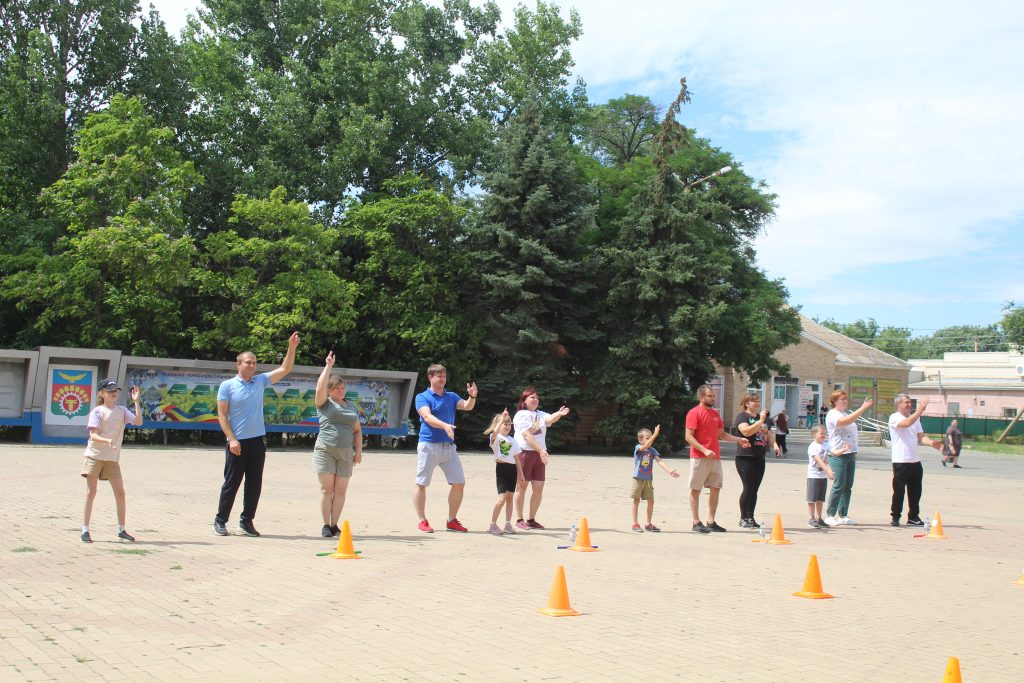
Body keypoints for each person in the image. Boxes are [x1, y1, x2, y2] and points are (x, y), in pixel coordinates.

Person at [215, 332, 300, 537]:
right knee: (232, 483)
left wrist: (291, 347)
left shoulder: (260, 381)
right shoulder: (227, 386)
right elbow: (222, 415)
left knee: (254, 484)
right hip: (237, 442)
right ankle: (220, 520)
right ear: (238, 364)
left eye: (254, 363)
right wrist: (232, 439)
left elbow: (285, 368)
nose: (252, 366)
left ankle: (246, 522)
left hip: (257, 442)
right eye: (248, 362)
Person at [413, 364, 477, 533]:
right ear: (430, 377)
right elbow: (427, 417)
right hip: (428, 446)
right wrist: (445, 426)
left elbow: (467, 406)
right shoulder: (422, 397)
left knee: (459, 482)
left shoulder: (451, 396)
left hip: (449, 447)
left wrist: (472, 397)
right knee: (421, 483)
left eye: (444, 376)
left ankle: (451, 520)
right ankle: (422, 520)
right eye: (439, 376)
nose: (442, 379)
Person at [81, 379, 143, 543]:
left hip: (112, 459)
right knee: (91, 492)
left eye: (115, 390)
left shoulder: (122, 411)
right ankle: (85, 530)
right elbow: (93, 435)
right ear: (102, 393)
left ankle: (122, 529)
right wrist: (107, 440)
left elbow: (138, 422)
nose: (114, 393)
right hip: (94, 456)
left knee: (120, 493)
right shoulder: (97, 412)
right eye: (110, 391)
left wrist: (136, 402)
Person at [684, 384, 750, 533]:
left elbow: (722, 435)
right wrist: (704, 449)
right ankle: (696, 522)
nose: (713, 398)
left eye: (713, 395)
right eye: (710, 396)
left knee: (716, 488)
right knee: (696, 489)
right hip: (699, 457)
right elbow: (688, 436)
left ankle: (711, 522)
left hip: (715, 458)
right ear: (702, 397)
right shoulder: (694, 413)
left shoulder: (715, 414)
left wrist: (739, 440)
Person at [313, 351, 362, 538]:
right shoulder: (324, 403)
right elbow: (320, 387)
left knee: (341, 491)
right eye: (336, 388)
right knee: (327, 489)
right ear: (329, 391)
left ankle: (335, 525)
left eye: (342, 388)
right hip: (325, 450)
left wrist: (358, 451)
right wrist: (328, 366)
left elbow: (357, 431)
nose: (340, 391)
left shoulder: (351, 407)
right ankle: (326, 524)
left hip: (345, 453)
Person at [512, 386, 570, 530]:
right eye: (532, 397)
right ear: (524, 401)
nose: (536, 399)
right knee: (522, 487)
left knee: (538, 489)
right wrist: (540, 450)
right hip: (524, 454)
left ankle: (531, 520)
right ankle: (519, 520)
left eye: (537, 397)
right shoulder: (521, 415)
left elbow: (549, 419)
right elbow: (527, 435)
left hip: (539, 455)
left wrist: (559, 413)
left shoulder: (540, 413)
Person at [888, 395, 943, 527]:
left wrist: (932, 443)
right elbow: (906, 424)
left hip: (915, 460)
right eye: (906, 402)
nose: (909, 404)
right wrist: (920, 411)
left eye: (910, 402)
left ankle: (913, 517)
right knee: (899, 490)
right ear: (898, 404)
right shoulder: (894, 417)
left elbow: (921, 437)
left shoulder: (916, 419)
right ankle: (895, 516)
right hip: (901, 460)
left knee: (915, 491)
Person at [823, 389, 873, 526]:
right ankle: (830, 515)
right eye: (842, 399)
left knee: (847, 485)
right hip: (838, 454)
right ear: (834, 401)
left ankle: (843, 514)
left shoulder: (845, 413)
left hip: (850, 453)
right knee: (839, 485)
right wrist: (862, 408)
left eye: (846, 398)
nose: (845, 401)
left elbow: (849, 421)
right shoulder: (833, 414)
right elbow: (845, 422)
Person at [733, 394, 781, 529]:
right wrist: (760, 421)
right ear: (746, 403)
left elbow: (769, 434)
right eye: (754, 401)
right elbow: (746, 432)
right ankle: (743, 518)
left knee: (754, 489)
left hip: (759, 458)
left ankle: (750, 517)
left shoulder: (763, 419)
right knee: (748, 487)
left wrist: (775, 445)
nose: (757, 403)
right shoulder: (742, 417)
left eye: (758, 401)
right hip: (745, 457)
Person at [630, 424, 680, 532]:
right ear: (640, 439)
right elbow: (644, 447)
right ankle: (635, 524)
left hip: (648, 479)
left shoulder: (652, 450)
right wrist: (655, 435)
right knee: (636, 500)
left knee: (651, 501)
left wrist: (669, 471)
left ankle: (648, 524)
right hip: (637, 478)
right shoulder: (638, 447)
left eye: (651, 437)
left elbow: (659, 461)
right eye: (647, 438)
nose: (650, 440)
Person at [484, 410, 524, 535]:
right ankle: (492, 525)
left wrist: (521, 473)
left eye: (509, 424)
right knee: (501, 499)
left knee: (510, 498)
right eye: (504, 424)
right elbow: (495, 432)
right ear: (499, 424)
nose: (507, 426)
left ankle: (507, 524)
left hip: (512, 470)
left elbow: (516, 458)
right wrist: (502, 418)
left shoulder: (513, 440)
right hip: (501, 469)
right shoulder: (495, 437)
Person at [805, 424, 841, 528]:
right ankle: (811, 518)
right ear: (814, 434)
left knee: (820, 499)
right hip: (813, 476)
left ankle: (819, 518)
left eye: (825, 433)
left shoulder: (826, 445)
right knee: (812, 499)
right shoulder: (812, 447)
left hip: (822, 477)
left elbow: (834, 452)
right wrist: (828, 471)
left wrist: (844, 449)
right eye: (821, 433)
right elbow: (819, 461)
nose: (824, 435)